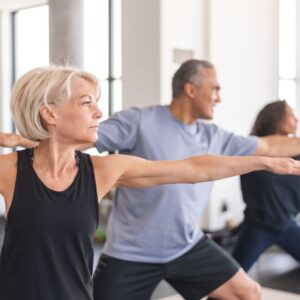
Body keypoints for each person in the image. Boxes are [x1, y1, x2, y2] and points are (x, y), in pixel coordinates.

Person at [0, 66, 296, 300]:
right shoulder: (10, 169)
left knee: (247, 292)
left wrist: (263, 162)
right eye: (87, 102)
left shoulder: (104, 170)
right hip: (29, 290)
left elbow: (193, 168)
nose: (99, 112)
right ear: (49, 113)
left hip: (91, 288)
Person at [91, 60, 300, 300]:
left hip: (187, 246)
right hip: (130, 253)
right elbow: (85, 137)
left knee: (247, 293)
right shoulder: (139, 121)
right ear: (191, 90)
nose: (219, 98)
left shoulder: (214, 135)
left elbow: (268, 144)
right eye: (215, 89)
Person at [232, 100, 300, 272]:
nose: (296, 119)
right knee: (230, 282)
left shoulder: (297, 153)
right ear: (277, 118)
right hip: (257, 227)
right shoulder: (252, 147)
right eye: (291, 115)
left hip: (287, 225)